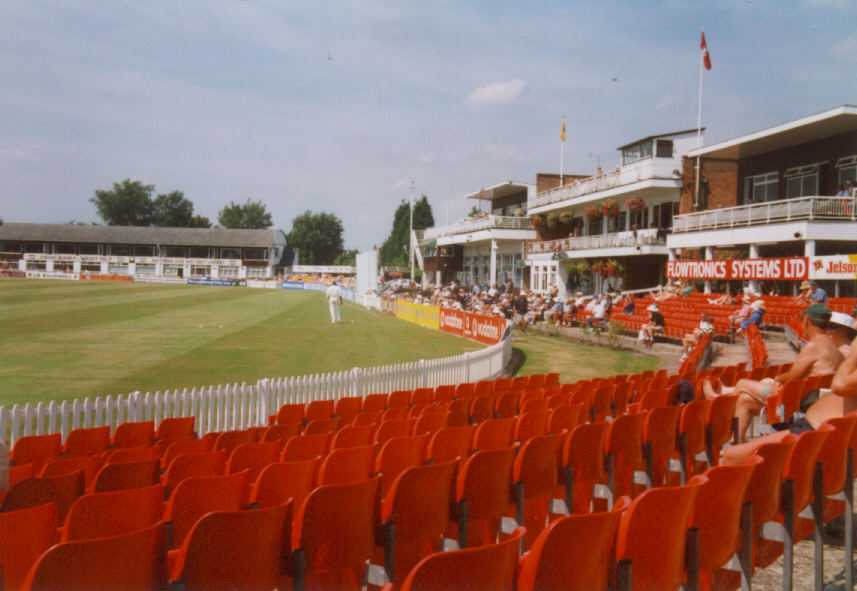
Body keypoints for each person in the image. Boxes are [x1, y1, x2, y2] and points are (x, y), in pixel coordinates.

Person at [704, 304, 843, 442]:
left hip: (795, 401)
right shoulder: (834, 347)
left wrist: (778, 378)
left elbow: (792, 376)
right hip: (811, 398)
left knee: (742, 383)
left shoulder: (814, 346)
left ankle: (719, 396)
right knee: (744, 400)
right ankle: (738, 441)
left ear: (807, 321)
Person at [722, 333, 857, 465]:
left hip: (809, 431)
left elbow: (839, 385)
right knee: (745, 400)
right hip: (810, 425)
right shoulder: (833, 349)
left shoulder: (818, 346)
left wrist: (853, 354)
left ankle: (722, 403)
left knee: (730, 457)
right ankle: (737, 438)